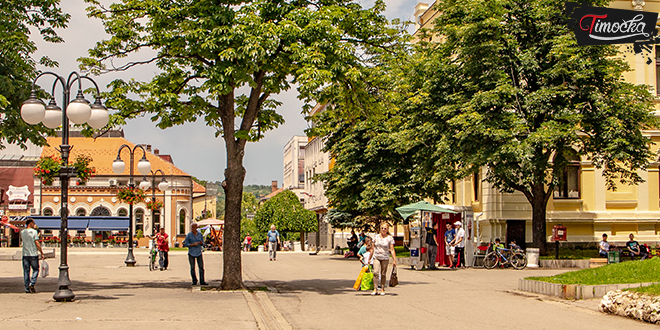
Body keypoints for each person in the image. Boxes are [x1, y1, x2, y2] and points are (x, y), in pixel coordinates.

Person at [372, 223, 397, 296]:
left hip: (385, 257)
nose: (383, 230)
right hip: (376, 256)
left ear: (387, 229)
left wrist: (394, 260)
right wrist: (369, 258)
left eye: (385, 228)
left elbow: (392, 250)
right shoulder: (376, 237)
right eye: (382, 228)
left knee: (383, 273)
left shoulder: (389, 238)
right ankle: (375, 288)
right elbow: (372, 248)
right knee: (376, 272)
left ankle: (382, 288)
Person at [21, 218, 44, 293]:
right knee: (36, 269)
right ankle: (32, 283)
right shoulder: (34, 232)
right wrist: (41, 252)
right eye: (33, 223)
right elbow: (37, 243)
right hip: (33, 254)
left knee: (26, 271)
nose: (34, 224)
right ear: (30, 223)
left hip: (25, 254)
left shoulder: (22, 232)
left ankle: (27, 288)